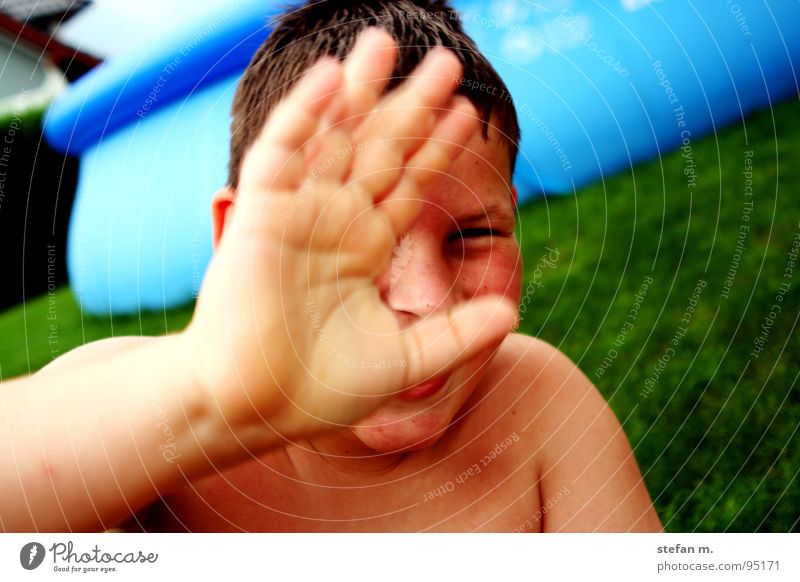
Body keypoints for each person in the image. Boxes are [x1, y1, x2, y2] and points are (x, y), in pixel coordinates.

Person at [0, 0, 662, 532]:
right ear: (236, 238)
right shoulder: (137, 414)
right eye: (358, 240)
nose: (427, 300)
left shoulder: (535, 402)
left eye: (475, 235)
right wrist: (206, 393)